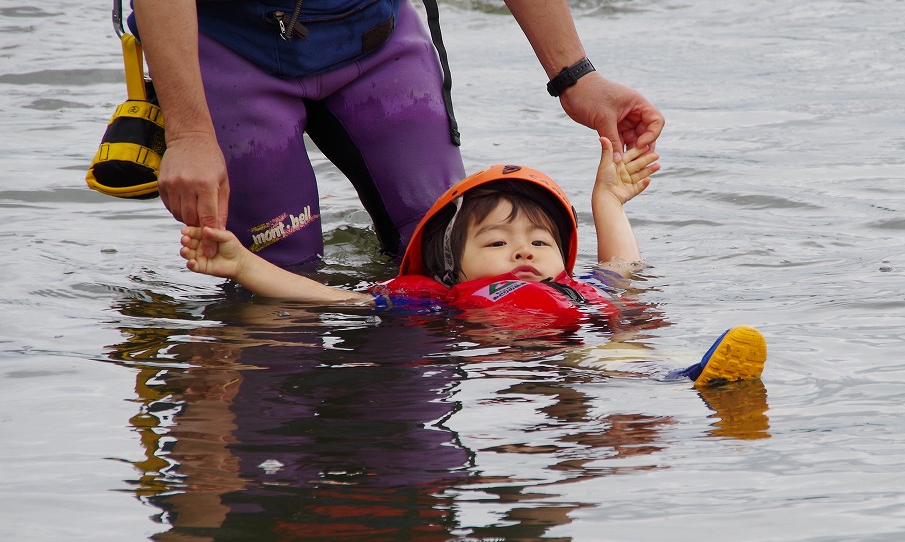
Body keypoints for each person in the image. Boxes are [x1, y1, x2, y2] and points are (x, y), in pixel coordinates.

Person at [117, 0, 665, 267]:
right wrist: (189, 133)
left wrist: (576, 76)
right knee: (277, 272)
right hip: (224, 42)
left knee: (452, 246)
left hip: (371, 25)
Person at [180, 139, 767, 386]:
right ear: (450, 265)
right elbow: (336, 299)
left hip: (580, 348)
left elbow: (625, 271)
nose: (523, 251)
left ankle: (685, 377)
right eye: (496, 242)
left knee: (627, 335)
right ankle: (681, 382)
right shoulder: (437, 297)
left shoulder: (577, 291)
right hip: (498, 365)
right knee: (596, 375)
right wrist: (244, 266)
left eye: (540, 242)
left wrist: (607, 201)